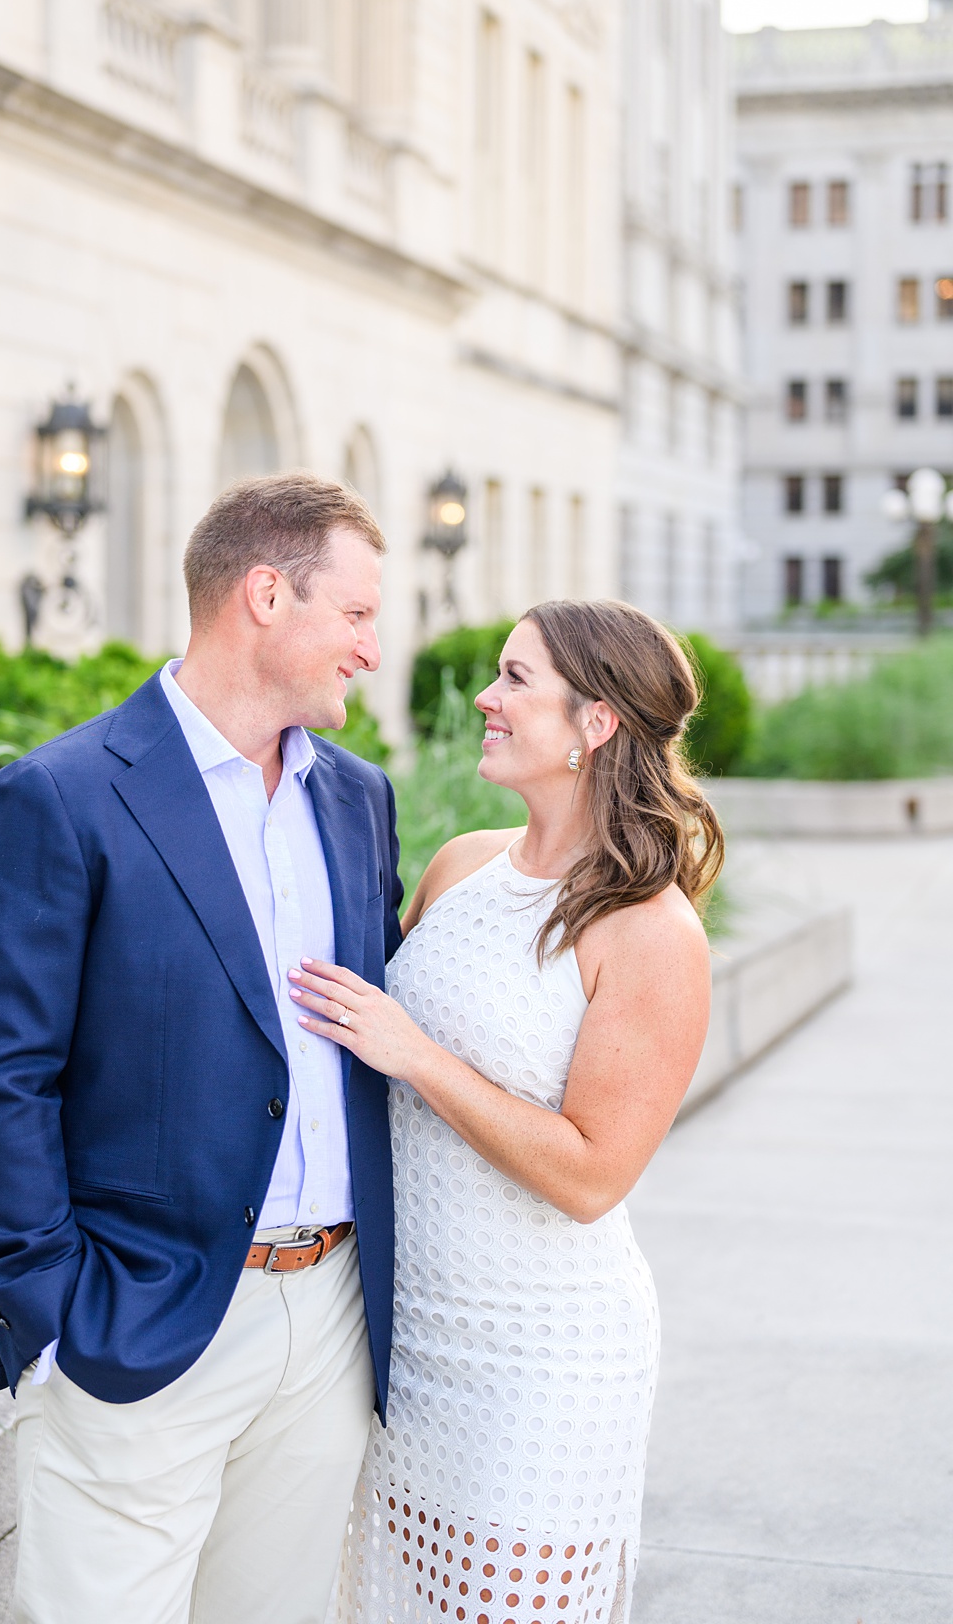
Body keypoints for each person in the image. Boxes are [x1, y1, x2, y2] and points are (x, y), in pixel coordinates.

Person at [0, 473, 406, 1623]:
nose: (372, 649)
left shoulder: (358, 798)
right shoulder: (59, 797)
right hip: (139, 1327)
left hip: (332, 1314)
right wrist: (51, 1315)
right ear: (264, 595)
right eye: (354, 614)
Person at [297, 602, 719, 1624]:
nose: (486, 696)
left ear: (597, 722)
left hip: (541, 1356)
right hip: (403, 1337)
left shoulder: (650, 931)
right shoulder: (461, 864)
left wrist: (420, 1057)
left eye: (516, 678)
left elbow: (590, 1174)